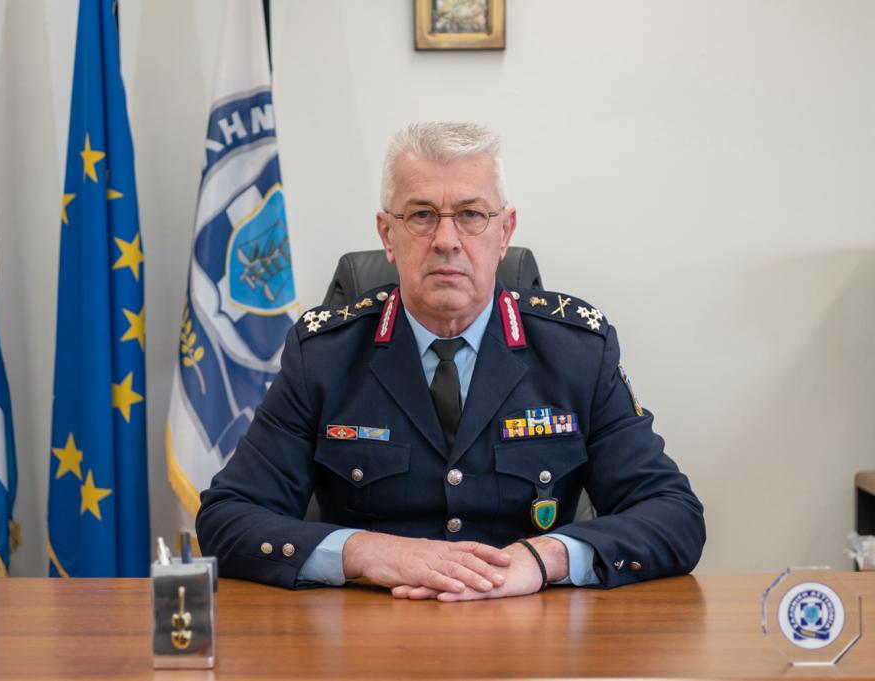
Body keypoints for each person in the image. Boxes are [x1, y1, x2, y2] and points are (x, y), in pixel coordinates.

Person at [196, 122, 705, 601]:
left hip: (531, 632)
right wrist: (364, 552)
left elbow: (674, 514)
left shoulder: (577, 352)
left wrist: (542, 559)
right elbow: (226, 517)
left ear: (505, 232)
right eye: (421, 215)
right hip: (372, 633)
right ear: (387, 234)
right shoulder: (324, 356)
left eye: (471, 214)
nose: (445, 240)